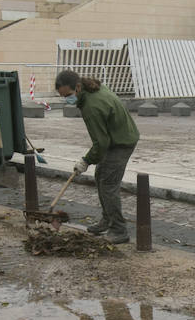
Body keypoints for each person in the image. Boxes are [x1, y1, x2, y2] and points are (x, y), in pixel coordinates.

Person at [55, 69, 139, 242]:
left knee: (108, 184)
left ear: (77, 87)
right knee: (100, 175)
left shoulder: (91, 106)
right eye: (63, 96)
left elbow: (101, 143)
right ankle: (107, 220)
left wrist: (85, 161)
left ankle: (119, 230)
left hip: (121, 143)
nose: (67, 99)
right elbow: (103, 141)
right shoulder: (94, 88)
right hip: (117, 137)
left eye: (68, 95)